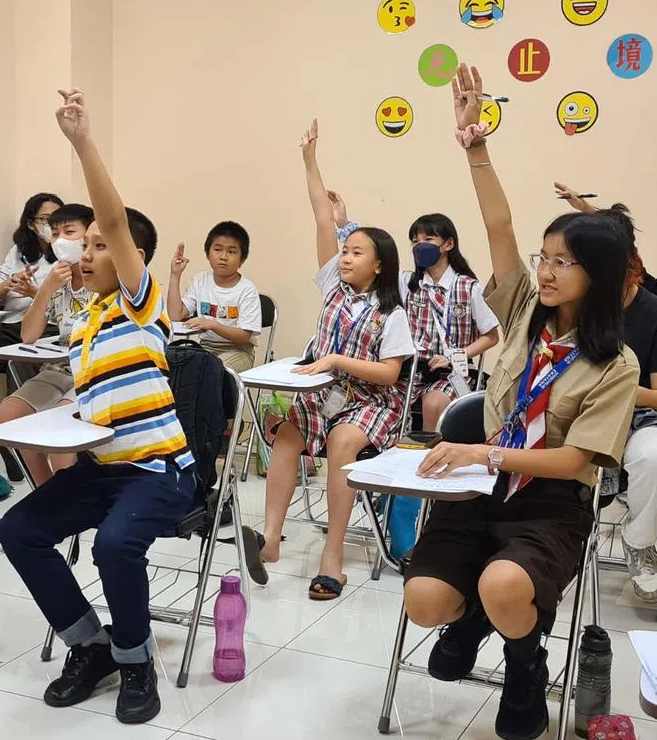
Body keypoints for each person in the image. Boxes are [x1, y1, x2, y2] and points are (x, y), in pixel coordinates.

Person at [404, 65, 637, 740]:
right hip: (483, 488)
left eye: (564, 261)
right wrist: (475, 146)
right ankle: (475, 618)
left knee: (506, 585)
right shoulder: (523, 309)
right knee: (423, 602)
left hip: (549, 502)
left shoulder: (615, 363)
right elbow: (497, 223)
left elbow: (572, 462)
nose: (546, 270)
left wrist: (485, 449)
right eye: (545, 256)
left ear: (598, 274)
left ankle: (524, 658)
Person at [0, 89, 195, 724]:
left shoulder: (143, 301)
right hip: (104, 469)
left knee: (114, 547)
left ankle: (137, 661)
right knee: (21, 532)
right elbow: (93, 402)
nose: (87, 256)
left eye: (99, 247)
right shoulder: (87, 321)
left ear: (131, 257)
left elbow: (113, 220)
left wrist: (83, 143)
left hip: (159, 470)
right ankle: (92, 646)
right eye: (82, 250)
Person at [258, 119, 415, 601]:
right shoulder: (333, 288)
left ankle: (333, 558)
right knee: (287, 432)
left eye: (356, 252)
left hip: (373, 404)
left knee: (344, 440)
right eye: (344, 251)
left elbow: (391, 375)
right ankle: (268, 540)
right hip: (326, 395)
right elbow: (322, 217)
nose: (344, 258)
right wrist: (309, 159)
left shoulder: (393, 314)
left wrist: (335, 362)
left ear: (380, 263)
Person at [331, 199, 501, 559]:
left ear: (448, 244)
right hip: (410, 371)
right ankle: (391, 481)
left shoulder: (468, 287)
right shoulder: (408, 283)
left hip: (452, 372)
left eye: (428, 239)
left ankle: (418, 483)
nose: (419, 245)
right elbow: (370, 259)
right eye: (415, 239)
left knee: (435, 402)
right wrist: (345, 223)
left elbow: (491, 335)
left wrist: (461, 355)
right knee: (385, 398)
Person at [555, 188, 657, 602]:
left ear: (631, 270)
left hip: (636, 417)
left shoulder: (652, 311)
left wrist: (615, 391)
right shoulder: (571, 303)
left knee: (652, 456)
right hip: (572, 414)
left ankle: (639, 542)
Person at [0, 203, 93, 542]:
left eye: (69, 233)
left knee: (59, 426)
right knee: (8, 414)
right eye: (55, 233)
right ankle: (48, 499)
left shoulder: (100, 277)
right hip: (58, 369)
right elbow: (29, 336)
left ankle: (68, 506)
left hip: (91, 374)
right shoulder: (55, 278)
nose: (60, 240)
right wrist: (44, 290)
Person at [0, 191, 64, 479]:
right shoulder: (18, 253)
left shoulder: (66, 255)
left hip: (47, 330)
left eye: (58, 222)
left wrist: (37, 292)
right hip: (11, 327)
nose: (52, 228)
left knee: (19, 369)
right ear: (32, 224)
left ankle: (17, 453)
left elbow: (67, 304)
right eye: (47, 221)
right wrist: (9, 285)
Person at [167, 221, 263, 373]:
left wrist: (211, 324)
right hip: (205, 348)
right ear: (207, 253)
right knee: (175, 365)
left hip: (239, 351)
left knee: (211, 370)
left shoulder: (247, 290)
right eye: (217, 249)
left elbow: (244, 336)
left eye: (231, 252)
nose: (223, 257)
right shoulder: (200, 281)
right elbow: (175, 315)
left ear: (242, 260)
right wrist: (175, 275)